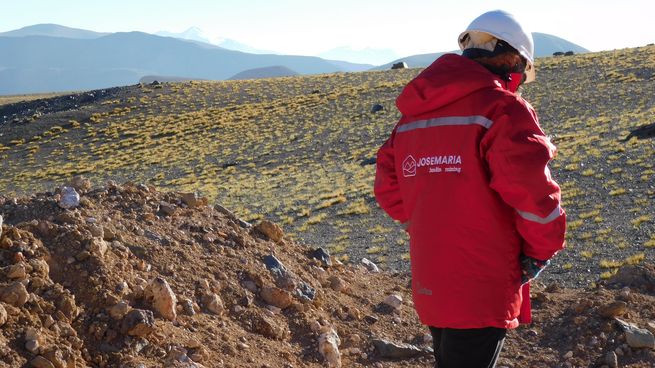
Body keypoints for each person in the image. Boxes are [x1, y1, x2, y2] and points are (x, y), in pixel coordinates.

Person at [374, 10, 566, 367]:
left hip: (433, 277)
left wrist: (432, 216)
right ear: (511, 58)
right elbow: (533, 196)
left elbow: (389, 186)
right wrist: (541, 250)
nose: (521, 81)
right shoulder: (502, 110)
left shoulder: (414, 116)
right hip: (483, 280)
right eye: (523, 70)